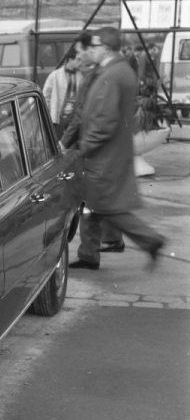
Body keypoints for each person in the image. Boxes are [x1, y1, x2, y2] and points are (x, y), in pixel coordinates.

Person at [69, 27, 165, 271]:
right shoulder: (119, 70)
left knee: (105, 207)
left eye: (96, 46)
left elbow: (105, 120)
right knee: (92, 205)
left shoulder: (112, 74)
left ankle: (151, 240)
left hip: (103, 157)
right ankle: (89, 254)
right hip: (109, 154)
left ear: (107, 48)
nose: (93, 50)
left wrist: (84, 146)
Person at [61, 31, 125, 254]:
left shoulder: (93, 76)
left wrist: (64, 142)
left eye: (80, 51)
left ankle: (89, 253)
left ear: (91, 50)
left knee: (88, 200)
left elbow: (80, 114)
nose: (78, 56)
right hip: (104, 146)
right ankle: (112, 239)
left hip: (92, 146)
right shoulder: (103, 72)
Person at [42, 48, 81, 139]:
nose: (80, 62)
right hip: (58, 118)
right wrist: (48, 113)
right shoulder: (55, 75)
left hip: (72, 118)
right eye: (78, 60)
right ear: (70, 59)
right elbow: (45, 95)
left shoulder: (81, 75)